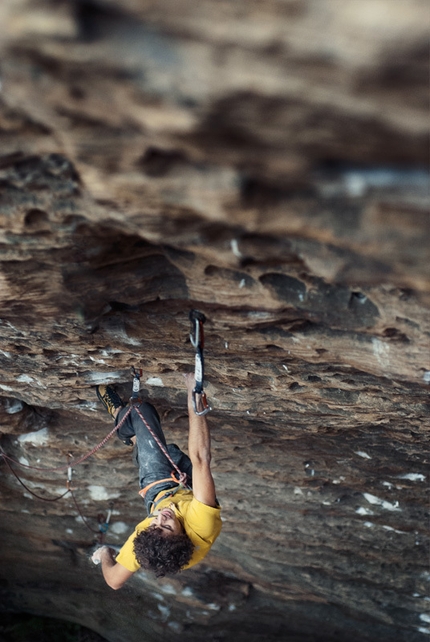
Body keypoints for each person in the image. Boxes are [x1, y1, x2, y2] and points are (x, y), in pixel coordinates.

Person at [91, 373, 222, 589]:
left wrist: (105, 553)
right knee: (172, 452)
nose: (161, 518)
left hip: (159, 489)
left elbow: (113, 581)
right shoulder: (201, 525)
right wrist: (194, 393)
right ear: (183, 539)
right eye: (167, 527)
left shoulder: (149, 541)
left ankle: (122, 418)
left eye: (155, 524)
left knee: (141, 411)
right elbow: (201, 458)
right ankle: (137, 439)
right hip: (188, 488)